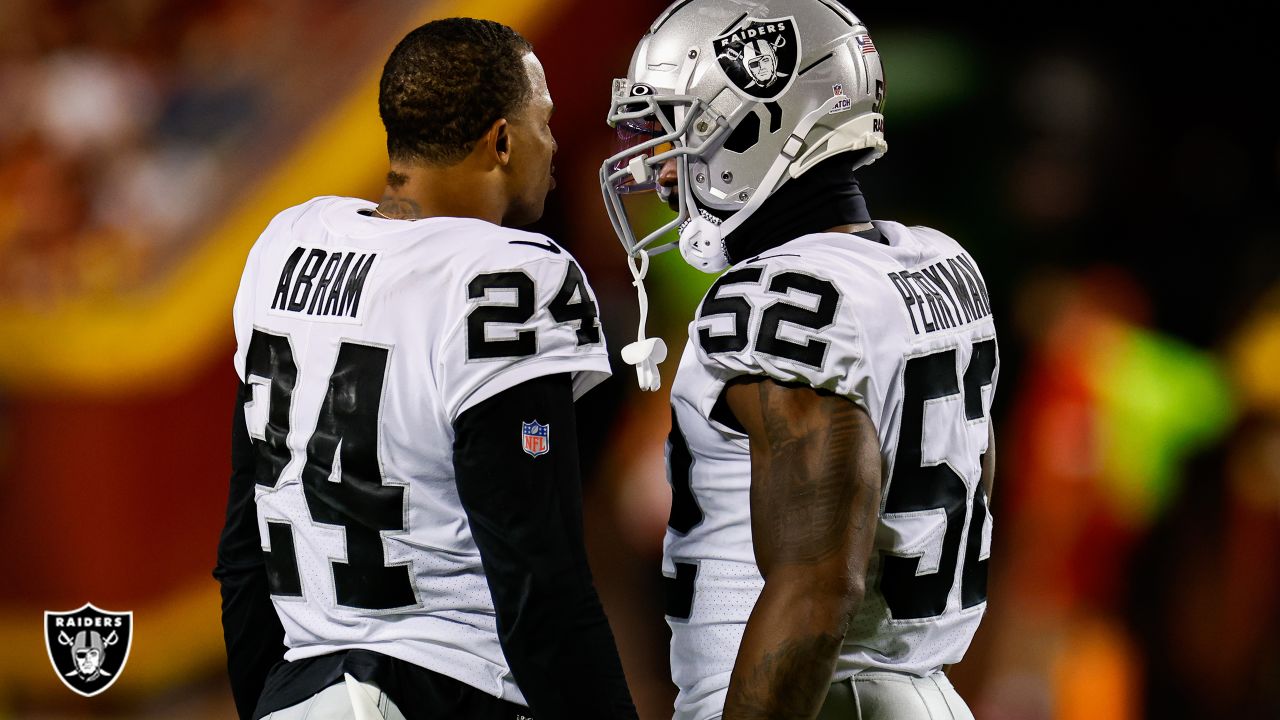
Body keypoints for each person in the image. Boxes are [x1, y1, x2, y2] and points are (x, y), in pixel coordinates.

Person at [214, 18, 637, 720]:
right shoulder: (508, 277)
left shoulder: (286, 242)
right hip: (447, 690)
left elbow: (241, 544)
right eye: (544, 124)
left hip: (303, 694)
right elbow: (539, 582)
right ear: (501, 141)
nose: (554, 147)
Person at [600, 1, 999, 718]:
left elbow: (817, 589)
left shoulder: (776, 301)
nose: (659, 166)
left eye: (678, 130)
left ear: (759, 123)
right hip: (922, 689)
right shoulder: (937, 264)